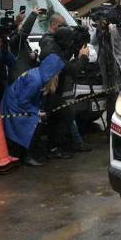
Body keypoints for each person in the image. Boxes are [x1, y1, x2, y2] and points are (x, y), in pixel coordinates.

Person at [2, 54, 65, 167]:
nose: (59, 74)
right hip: (14, 104)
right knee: (35, 122)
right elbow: (23, 101)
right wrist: (36, 112)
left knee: (38, 120)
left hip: (15, 99)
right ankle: (27, 156)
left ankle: (25, 152)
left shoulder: (39, 74)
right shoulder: (36, 80)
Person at [39, 23, 90, 158]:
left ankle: (56, 146)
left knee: (62, 114)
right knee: (62, 114)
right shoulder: (53, 53)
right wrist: (83, 57)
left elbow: (66, 53)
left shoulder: (54, 44)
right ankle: (54, 148)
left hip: (52, 88)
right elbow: (72, 69)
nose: (72, 42)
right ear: (64, 40)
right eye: (70, 40)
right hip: (47, 90)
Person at [91, 7, 121, 127]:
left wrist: (118, 24)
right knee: (111, 101)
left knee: (119, 99)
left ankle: (120, 125)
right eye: (102, 19)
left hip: (117, 71)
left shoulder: (113, 30)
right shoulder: (98, 32)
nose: (104, 22)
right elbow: (93, 41)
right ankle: (110, 127)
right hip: (106, 73)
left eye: (104, 19)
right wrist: (98, 28)